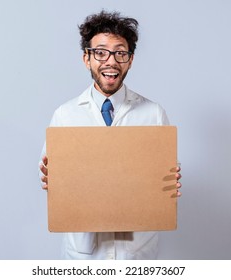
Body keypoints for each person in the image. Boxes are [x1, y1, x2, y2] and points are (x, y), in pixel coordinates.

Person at [39, 10, 182, 260]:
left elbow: (163, 174)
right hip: (84, 255)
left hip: (136, 254)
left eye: (120, 52)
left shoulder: (153, 114)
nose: (111, 61)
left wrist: (169, 182)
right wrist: (50, 178)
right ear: (87, 58)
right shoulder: (65, 114)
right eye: (101, 52)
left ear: (130, 60)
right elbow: (51, 175)